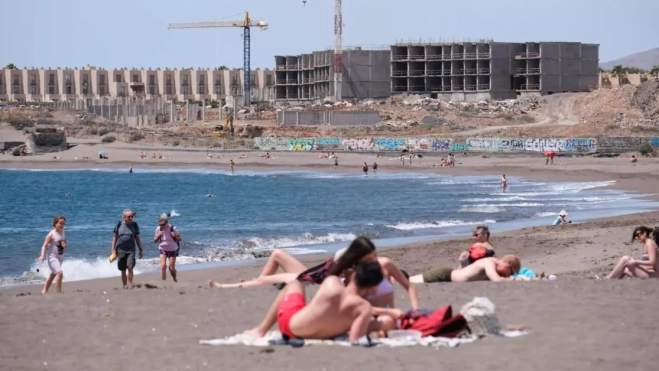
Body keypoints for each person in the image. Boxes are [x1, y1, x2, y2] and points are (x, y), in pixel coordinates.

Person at [234, 236, 419, 337]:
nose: (372, 260)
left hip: (298, 325)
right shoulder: (345, 284)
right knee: (295, 281)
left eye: (373, 256)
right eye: (369, 257)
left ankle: (261, 329)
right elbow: (350, 310)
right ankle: (261, 329)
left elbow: (347, 305)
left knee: (294, 284)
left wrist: (404, 311)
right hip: (353, 317)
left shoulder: (339, 283)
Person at [275, 260, 385, 342]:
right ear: (373, 288)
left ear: (354, 275)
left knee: (294, 284)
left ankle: (261, 330)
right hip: (311, 336)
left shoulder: (332, 282)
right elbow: (355, 338)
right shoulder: (364, 308)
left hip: (289, 327)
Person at [409, 255, 521, 283]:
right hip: (444, 275)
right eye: (511, 273)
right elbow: (496, 280)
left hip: (447, 277)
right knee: (406, 281)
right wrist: (516, 280)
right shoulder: (489, 262)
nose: (509, 276)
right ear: (507, 266)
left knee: (407, 281)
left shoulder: (492, 265)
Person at [111, 209, 143, 288]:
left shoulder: (135, 225)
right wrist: (113, 250)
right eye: (129, 217)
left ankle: (130, 284)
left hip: (131, 250)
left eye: (132, 216)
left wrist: (140, 249)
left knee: (130, 267)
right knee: (123, 269)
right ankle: (125, 286)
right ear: (124, 217)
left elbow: (137, 238)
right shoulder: (119, 224)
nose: (131, 218)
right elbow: (115, 238)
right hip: (120, 250)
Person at [38, 215, 67, 294]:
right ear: (55, 223)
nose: (62, 225)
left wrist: (65, 245)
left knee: (53, 274)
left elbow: (64, 242)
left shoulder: (63, 232)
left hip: (60, 256)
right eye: (60, 223)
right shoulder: (51, 234)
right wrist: (42, 255)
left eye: (63, 224)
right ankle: (59, 292)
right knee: (60, 273)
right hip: (52, 257)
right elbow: (44, 246)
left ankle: (44, 291)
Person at [154, 214, 182, 282]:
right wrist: (158, 235)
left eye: (163, 224)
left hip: (173, 249)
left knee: (171, 268)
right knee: (163, 266)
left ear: (167, 222)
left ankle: (174, 278)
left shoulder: (173, 228)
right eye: (161, 224)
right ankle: (163, 282)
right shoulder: (159, 228)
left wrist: (174, 236)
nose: (162, 226)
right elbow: (155, 240)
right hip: (163, 248)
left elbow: (180, 239)